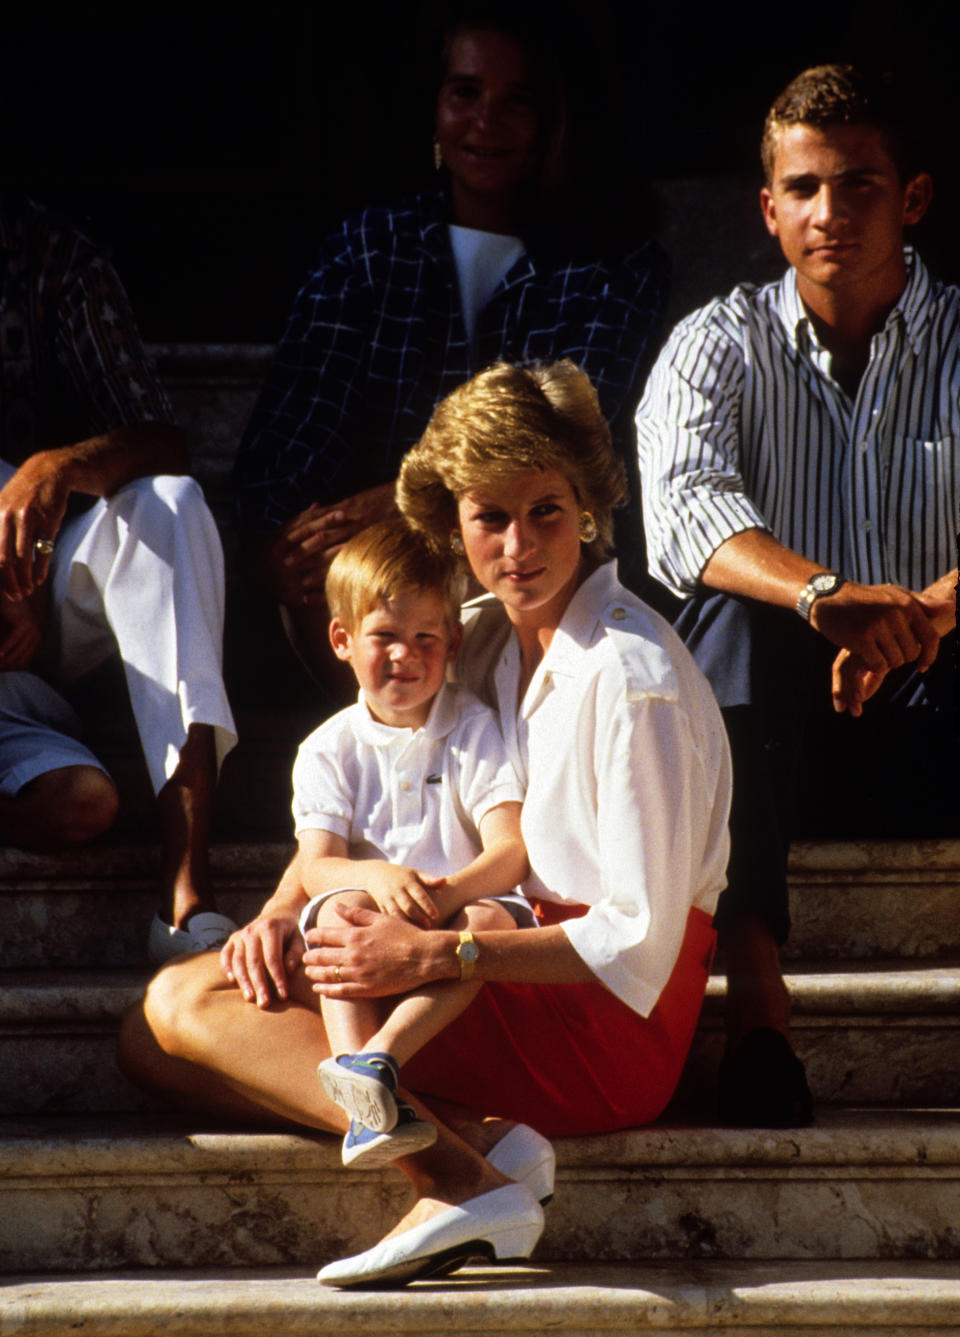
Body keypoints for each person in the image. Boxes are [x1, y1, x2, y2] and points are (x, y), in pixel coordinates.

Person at [119, 358, 730, 1289]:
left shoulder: (631, 677)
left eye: (546, 512)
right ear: (455, 523)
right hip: (485, 957)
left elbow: (637, 947)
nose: (518, 546)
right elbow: (355, 800)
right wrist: (283, 908)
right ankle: (488, 1144)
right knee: (151, 1045)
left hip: (606, 1018)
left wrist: (435, 955)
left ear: (592, 510)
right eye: (489, 516)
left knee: (179, 1009)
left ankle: (457, 1179)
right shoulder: (478, 633)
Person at [635, 64, 959, 1128]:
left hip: (939, 721)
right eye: (806, 188)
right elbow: (683, 505)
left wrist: (926, 616)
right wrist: (823, 597)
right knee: (727, 618)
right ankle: (759, 1016)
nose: (832, 213)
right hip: (773, 750)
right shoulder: (715, 343)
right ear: (767, 208)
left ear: (911, 198)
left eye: (860, 184)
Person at [233, 4, 668, 680]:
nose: (485, 121)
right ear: (435, 107)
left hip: (529, 570)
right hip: (378, 585)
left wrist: (412, 497)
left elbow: (573, 436)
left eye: (516, 101)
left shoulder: (613, 263)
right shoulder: (370, 247)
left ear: (553, 118)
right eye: (465, 93)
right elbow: (291, 430)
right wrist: (284, 545)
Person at [0, 190, 238, 964]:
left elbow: (165, 439)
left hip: (44, 603)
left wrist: (59, 470)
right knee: (80, 804)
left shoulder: (50, 253)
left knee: (168, 503)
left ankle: (185, 885)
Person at [294, 517, 532, 1168]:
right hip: (371, 923)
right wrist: (375, 879)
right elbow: (315, 867)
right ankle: (359, 1094)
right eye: (386, 636)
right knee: (334, 916)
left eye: (427, 636)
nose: (406, 654)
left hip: (455, 924)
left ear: (453, 641)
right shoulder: (328, 748)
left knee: (491, 915)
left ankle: (380, 1059)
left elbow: (510, 850)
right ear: (342, 639)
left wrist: (447, 892)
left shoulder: (474, 727)